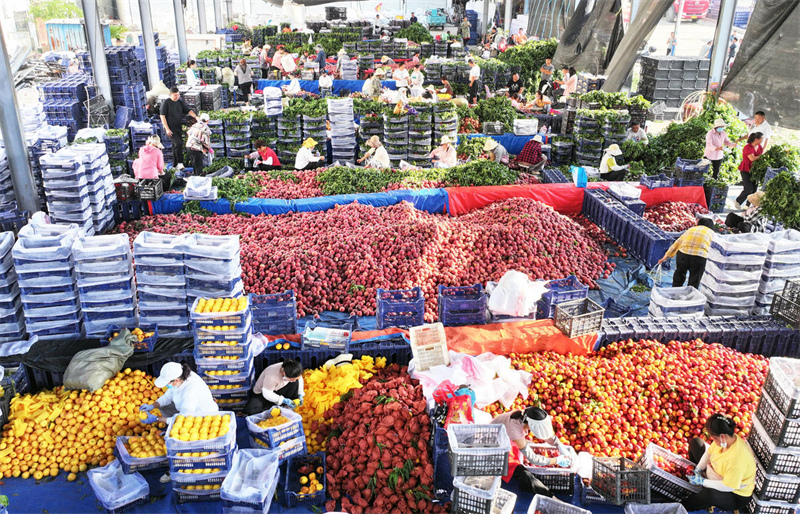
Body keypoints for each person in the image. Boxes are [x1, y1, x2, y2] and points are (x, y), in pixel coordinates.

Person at [139, 362, 218, 483]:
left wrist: (156, 419)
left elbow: (185, 418)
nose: (167, 385)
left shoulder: (191, 390)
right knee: (163, 407)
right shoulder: (180, 379)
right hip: (186, 412)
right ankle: (171, 429)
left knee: (182, 437)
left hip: (202, 420)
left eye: (168, 383)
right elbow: (168, 396)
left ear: (175, 380)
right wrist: (152, 406)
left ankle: (179, 466)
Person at [682, 413, 755, 512]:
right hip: (716, 473)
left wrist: (703, 481)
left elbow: (728, 486)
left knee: (710, 495)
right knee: (696, 443)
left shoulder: (737, 459)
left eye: (714, 438)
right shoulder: (726, 439)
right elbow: (708, 453)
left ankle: (684, 505)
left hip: (734, 494)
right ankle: (699, 488)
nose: (713, 440)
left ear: (722, 436)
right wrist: (698, 469)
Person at [491, 407, 572, 495]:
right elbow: (534, 459)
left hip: (505, 442)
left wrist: (559, 444)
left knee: (527, 449)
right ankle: (549, 495)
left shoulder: (525, 415)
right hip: (493, 450)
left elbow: (544, 434)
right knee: (524, 474)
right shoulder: (515, 429)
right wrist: (557, 460)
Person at [657, 217, 715, 288]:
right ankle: (689, 296)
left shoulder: (690, 229)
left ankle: (674, 292)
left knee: (679, 275)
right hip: (699, 257)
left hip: (683, 255)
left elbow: (676, 244)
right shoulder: (712, 233)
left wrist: (664, 258)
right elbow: (714, 250)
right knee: (694, 279)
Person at [159, 87, 197, 168]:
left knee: (175, 146)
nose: (177, 96)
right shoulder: (166, 103)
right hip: (170, 129)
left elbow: (188, 110)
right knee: (178, 143)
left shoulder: (179, 102)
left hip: (178, 127)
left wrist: (196, 117)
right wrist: (167, 129)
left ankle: (175, 164)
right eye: (175, 95)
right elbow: (162, 116)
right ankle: (180, 163)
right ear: (170, 95)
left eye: (178, 95)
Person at [734, 132, 763, 209]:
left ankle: (747, 205)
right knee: (748, 188)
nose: (762, 141)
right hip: (746, 169)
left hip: (755, 170)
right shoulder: (748, 147)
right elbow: (752, 158)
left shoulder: (759, 147)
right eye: (761, 139)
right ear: (756, 139)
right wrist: (762, 156)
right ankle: (738, 201)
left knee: (754, 189)